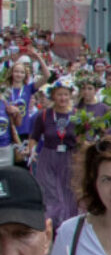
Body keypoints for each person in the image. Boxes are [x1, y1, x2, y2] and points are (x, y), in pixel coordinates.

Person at [28, 76, 80, 233]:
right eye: (59, 94)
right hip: (49, 157)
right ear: (53, 96)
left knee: (69, 194)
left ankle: (67, 228)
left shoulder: (77, 114)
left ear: (70, 95)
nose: (62, 98)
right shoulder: (44, 115)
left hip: (70, 158)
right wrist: (32, 152)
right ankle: (51, 227)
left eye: (65, 94)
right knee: (51, 195)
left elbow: (84, 138)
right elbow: (34, 138)